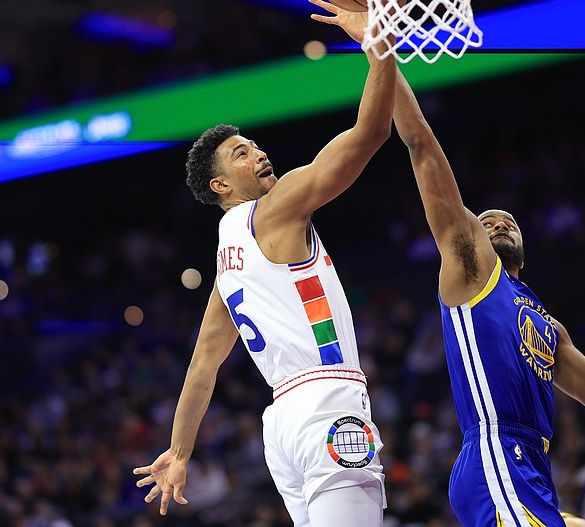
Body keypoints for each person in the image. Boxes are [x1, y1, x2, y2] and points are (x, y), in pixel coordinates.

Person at [309, 0, 585, 527]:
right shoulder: (472, 267)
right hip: (496, 452)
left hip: (532, 467)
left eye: (509, 222)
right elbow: (420, 143)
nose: (498, 223)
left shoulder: (544, 322)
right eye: (488, 219)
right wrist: (378, 48)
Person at [132, 34, 398, 527]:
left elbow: (202, 367)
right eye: (240, 154)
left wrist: (180, 450)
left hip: (281, 424)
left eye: (254, 146)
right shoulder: (273, 210)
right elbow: (371, 134)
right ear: (221, 186)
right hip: (327, 403)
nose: (257, 154)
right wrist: (380, 48)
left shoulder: (225, 263)